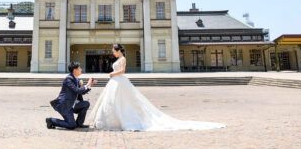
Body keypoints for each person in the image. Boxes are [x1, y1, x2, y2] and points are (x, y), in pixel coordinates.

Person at [88, 44, 226, 131]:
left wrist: (113, 73)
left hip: (119, 80)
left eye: (114, 51)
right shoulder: (118, 59)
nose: (113, 53)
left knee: (123, 102)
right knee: (113, 101)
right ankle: (111, 120)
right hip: (115, 82)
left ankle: (122, 120)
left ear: (118, 51)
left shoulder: (122, 59)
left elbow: (123, 71)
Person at [46, 61, 97, 129]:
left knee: (86, 104)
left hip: (72, 104)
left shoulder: (77, 79)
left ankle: (79, 123)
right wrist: (87, 84)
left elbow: (81, 92)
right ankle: (51, 120)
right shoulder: (68, 79)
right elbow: (77, 90)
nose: (81, 69)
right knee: (71, 125)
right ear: (74, 70)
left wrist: (89, 85)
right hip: (65, 105)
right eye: (79, 68)